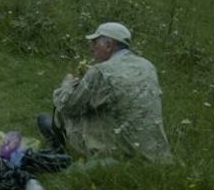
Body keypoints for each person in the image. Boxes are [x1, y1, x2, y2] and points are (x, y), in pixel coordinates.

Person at [38, 22, 172, 163]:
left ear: (108, 45)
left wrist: (67, 85)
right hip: (153, 149)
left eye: (95, 42)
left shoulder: (101, 71)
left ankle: (57, 147)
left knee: (60, 111)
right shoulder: (147, 65)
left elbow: (67, 105)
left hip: (120, 150)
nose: (92, 48)